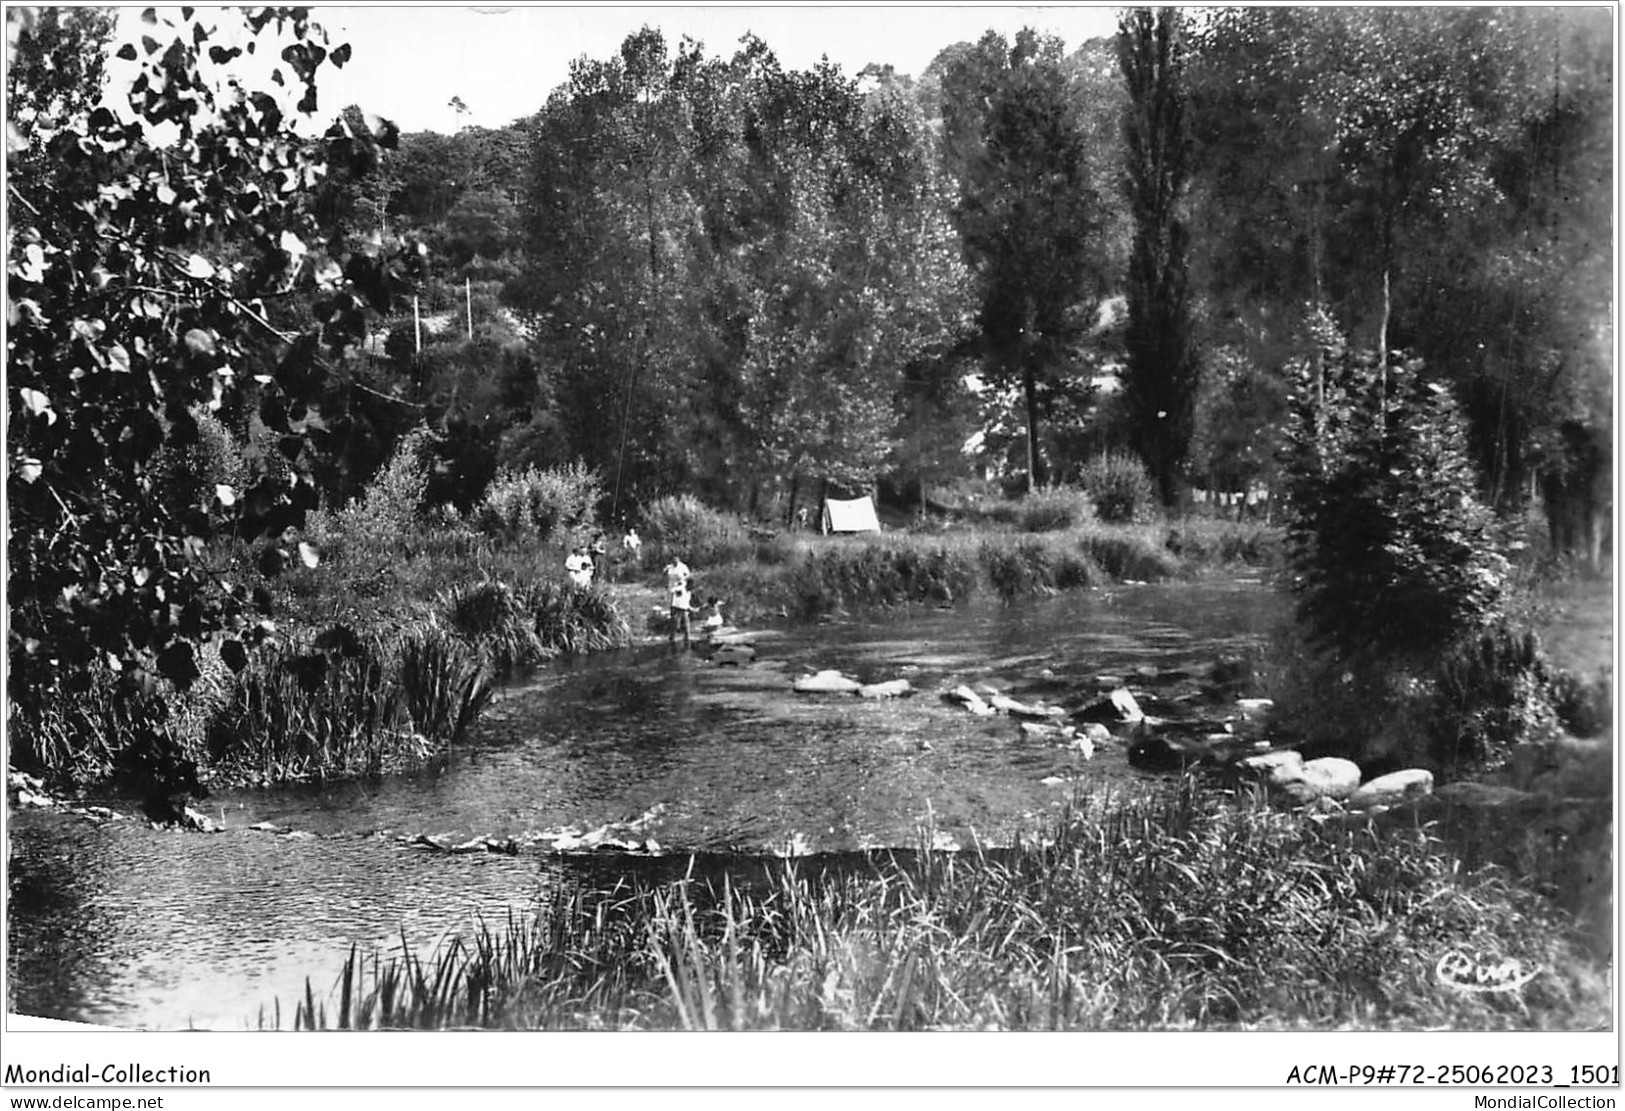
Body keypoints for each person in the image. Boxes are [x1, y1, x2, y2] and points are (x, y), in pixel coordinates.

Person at [665, 553, 692, 644]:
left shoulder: (683, 567)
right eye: (673, 560)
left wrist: (682, 580)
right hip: (672, 589)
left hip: (680, 591)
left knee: (682, 612)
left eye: (676, 560)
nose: (675, 561)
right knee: (674, 612)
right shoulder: (670, 567)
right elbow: (665, 573)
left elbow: (688, 575)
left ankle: (686, 634)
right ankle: (673, 633)